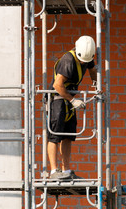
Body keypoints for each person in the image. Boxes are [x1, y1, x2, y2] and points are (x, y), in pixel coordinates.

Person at [47, 35, 97, 180]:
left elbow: (92, 69)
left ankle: (66, 171)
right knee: (54, 135)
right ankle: (53, 171)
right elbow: (57, 85)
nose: (84, 63)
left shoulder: (86, 56)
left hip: (69, 99)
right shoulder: (69, 60)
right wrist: (73, 100)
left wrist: (95, 83)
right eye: (83, 60)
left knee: (68, 136)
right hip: (58, 99)